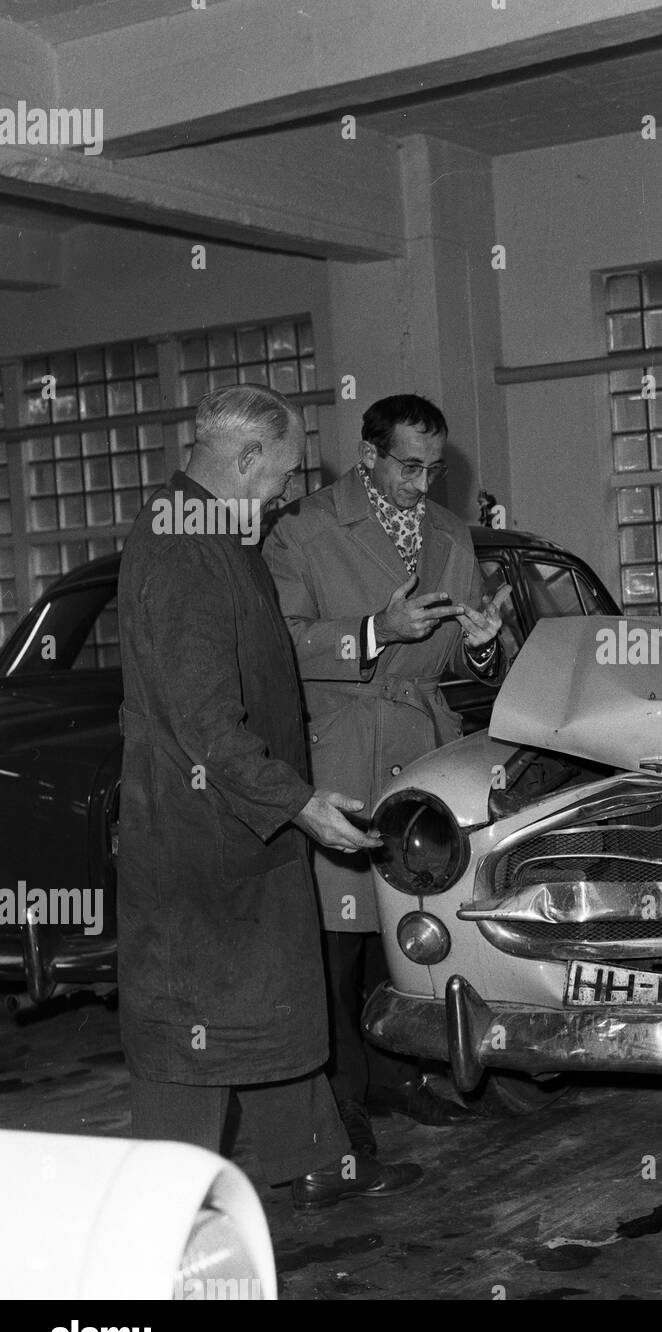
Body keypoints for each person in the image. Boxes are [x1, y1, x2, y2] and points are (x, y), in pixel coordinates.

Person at [116, 383, 422, 1212]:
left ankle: (318, 1161)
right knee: (196, 1025)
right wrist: (296, 801)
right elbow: (204, 719)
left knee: (273, 1003)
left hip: (236, 829)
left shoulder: (212, 530)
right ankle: (159, 1209)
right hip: (202, 840)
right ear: (245, 458)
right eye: (282, 475)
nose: (288, 494)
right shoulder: (183, 548)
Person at [264, 393, 508, 1156]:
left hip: (423, 750)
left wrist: (479, 642)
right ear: (367, 454)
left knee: (404, 929)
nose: (422, 485)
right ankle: (338, 1100)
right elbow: (280, 643)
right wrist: (375, 631)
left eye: (434, 470)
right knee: (339, 939)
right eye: (408, 465)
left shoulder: (447, 533)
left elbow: (460, 660)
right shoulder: (302, 530)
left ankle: (399, 1076)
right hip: (341, 745)